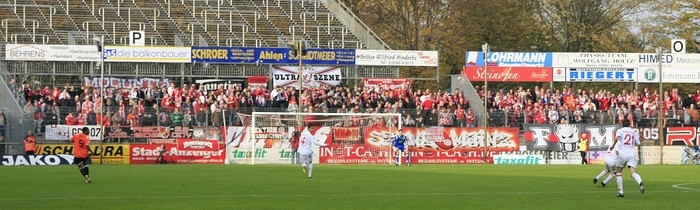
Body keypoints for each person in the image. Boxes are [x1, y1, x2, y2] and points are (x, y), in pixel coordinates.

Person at [610, 122, 645, 197]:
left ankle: (621, 192)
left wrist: (613, 146)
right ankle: (640, 182)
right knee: (633, 173)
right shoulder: (634, 132)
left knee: (619, 172)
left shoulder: (620, 130)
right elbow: (638, 143)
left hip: (623, 153)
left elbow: (617, 138)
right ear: (629, 125)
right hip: (632, 154)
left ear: (622, 124)